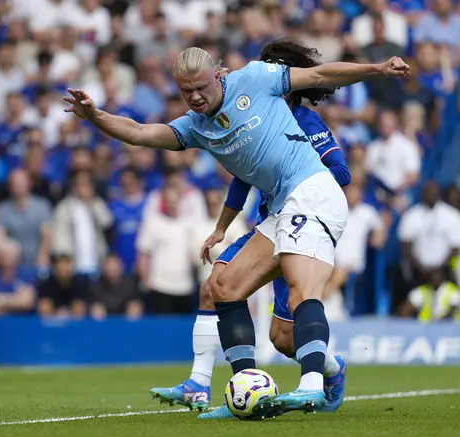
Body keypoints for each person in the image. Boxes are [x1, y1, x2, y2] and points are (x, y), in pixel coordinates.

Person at [64, 44, 409, 417]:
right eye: (185, 91)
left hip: (313, 192)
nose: (194, 97)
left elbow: (321, 75)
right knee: (223, 287)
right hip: (279, 209)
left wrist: (377, 68)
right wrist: (96, 116)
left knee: (300, 289)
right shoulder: (196, 126)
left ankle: (312, 386)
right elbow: (139, 133)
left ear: (217, 75)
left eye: (200, 87)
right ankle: (248, 390)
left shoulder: (256, 78)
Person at [149, 40, 351, 417]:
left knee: (283, 338)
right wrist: (222, 227)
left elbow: (341, 171)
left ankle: (330, 371)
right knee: (218, 284)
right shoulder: (246, 114)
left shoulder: (303, 120)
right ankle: (204, 382)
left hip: (305, 213)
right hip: (270, 221)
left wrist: (301, 184)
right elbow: (243, 177)